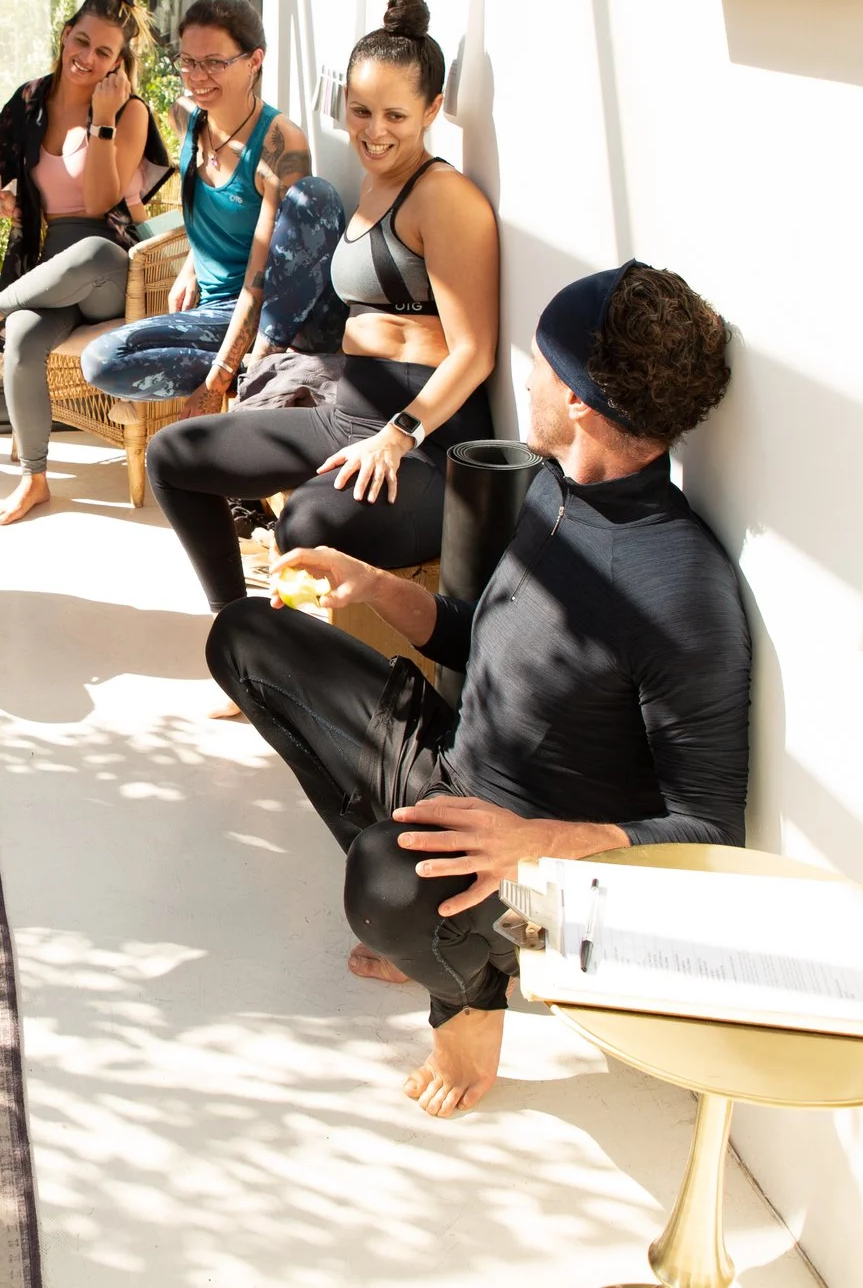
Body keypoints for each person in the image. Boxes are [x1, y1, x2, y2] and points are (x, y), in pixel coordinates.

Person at [207, 262, 746, 1119]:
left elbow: (713, 828)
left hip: (528, 855)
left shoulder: (678, 586)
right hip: (454, 761)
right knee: (244, 637)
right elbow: (486, 636)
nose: (524, 378)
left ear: (577, 398)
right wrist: (377, 585)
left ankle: (469, 989)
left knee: (381, 884)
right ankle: (436, 929)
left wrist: (531, 842)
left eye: (538, 365)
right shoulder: (555, 489)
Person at [146, 0, 496, 608]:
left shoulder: (445, 198)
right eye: (361, 112)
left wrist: (398, 435)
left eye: (395, 115)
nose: (374, 132)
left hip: (427, 445)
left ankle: (275, 657)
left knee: (302, 523)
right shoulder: (375, 185)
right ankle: (238, 628)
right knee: (173, 455)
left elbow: (476, 352)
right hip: (349, 414)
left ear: (433, 108)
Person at [0, 0, 173, 524]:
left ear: (118, 63)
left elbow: (98, 199)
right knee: (21, 338)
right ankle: (35, 478)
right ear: (67, 34)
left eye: (104, 52)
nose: (87, 58)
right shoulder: (29, 102)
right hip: (51, 271)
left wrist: (105, 121)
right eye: (82, 42)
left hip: (113, 270)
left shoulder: (129, 112)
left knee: (90, 249)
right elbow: (4, 172)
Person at [79, 0, 346, 412]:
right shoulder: (185, 116)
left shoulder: (279, 145)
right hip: (214, 312)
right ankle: (267, 375)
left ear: (254, 60)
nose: (196, 77)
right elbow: (205, 210)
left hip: (273, 315)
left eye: (214, 63)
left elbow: (261, 279)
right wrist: (192, 262)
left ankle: (257, 368)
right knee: (101, 360)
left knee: (317, 197)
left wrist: (214, 383)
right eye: (187, 61)